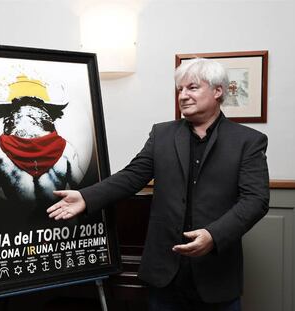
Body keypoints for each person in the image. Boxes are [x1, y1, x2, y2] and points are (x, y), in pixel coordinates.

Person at [47, 58, 269, 311]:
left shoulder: (248, 141)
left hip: (216, 275)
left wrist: (213, 235)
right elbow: (132, 176)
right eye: (180, 89)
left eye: (192, 88)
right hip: (165, 276)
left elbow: (256, 200)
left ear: (218, 91)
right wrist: (87, 197)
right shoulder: (161, 134)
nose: (183, 96)